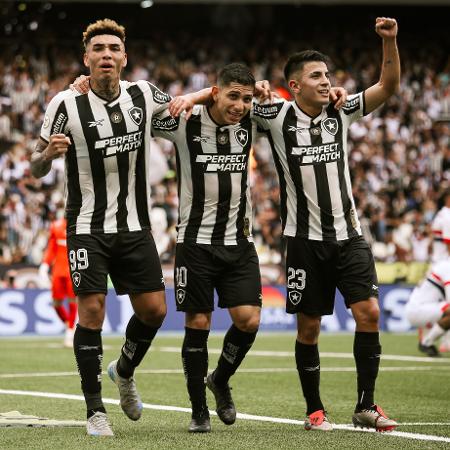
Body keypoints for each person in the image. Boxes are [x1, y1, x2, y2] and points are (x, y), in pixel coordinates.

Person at [30, 18, 203, 437]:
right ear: (86, 57)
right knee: (91, 312)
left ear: (125, 57)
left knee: (155, 310)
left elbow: (183, 103)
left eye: (114, 48)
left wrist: (201, 94)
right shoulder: (63, 105)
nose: (106, 54)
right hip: (86, 225)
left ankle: (124, 370)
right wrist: (48, 155)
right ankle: (95, 411)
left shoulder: (143, 95)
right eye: (98, 49)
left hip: (134, 225)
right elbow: (35, 167)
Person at [251, 17, 400, 431]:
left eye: (327, 74)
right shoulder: (276, 117)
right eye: (316, 75)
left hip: (350, 237)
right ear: (295, 86)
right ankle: (315, 409)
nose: (326, 81)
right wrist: (257, 91)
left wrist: (389, 42)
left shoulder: (341, 110)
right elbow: (230, 106)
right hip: (304, 242)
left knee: (369, 312)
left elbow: (388, 88)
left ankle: (366, 406)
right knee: (309, 327)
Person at [39, 212, 78, 348]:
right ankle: (69, 325)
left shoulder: (79, 226)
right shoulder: (56, 226)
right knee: (56, 304)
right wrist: (44, 264)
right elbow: (51, 248)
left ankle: (70, 332)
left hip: (73, 270)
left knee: (73, 302)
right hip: (58, 271)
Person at [406, 258, 450, 356]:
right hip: (419, 309)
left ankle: (428, 342)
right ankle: (427, 342)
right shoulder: (447, 267)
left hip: (422, 307)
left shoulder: (443, 264)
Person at [429, 190, 450, 352]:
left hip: (437, 263)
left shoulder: (440, 215)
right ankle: (445, 341)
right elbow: (448, 244)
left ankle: (444, 340)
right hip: (445, 265)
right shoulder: (447, 216)